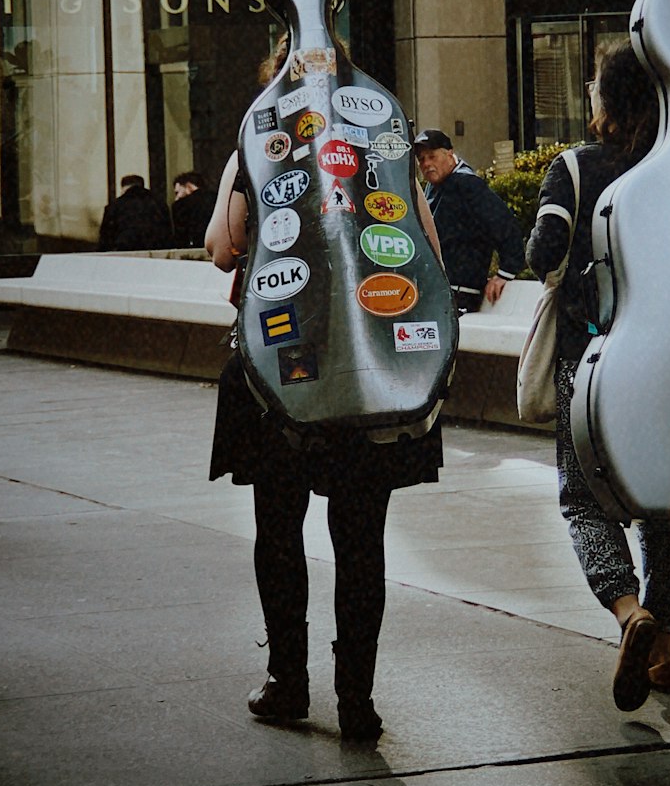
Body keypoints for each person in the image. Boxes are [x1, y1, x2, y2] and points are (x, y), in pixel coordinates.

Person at [205, 39, 445, 742]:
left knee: (279, 530)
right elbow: (427, 246)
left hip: (279, 369)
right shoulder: (382, 147)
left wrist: (240, 171)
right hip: (367, 371)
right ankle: (357, 699)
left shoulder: (263, 141)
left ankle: (288, 681)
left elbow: (224, 247)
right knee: (360, 537)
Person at [526, 40, 670, 713]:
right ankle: (667, 650)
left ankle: (629, 614)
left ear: (606, 99)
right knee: (665, 502)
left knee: (583, 496)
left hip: (588, 362)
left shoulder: (574, 166)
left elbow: (543, 252)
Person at [413, 128, 525, 312]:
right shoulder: (434, 187)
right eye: (421, 159)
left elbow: (505, 225)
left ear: (449, 154)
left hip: (460, 293)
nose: (426, 164)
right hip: (440, 288)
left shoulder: (467, 184)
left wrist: (506, 273)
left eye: (432, 156)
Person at [97, 174, 173, 251]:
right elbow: (168, 232)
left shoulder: (114, 206)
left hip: (125, 251)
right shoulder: (159, 203)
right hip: (156, 252)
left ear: (124, 188)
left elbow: (106, 239)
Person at [171, 170, 217, 249]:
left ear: (188, 186)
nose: (176, 197)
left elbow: (181, 236)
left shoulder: (181, 205)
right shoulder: (217, 198)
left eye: (177, 192)